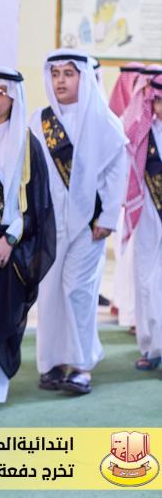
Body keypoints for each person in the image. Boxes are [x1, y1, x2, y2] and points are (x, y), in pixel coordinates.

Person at [30, 49, 127, 395]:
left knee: (78, 292)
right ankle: (53, 362)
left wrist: (108, 217)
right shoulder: (39, 121)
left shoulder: (104, 121)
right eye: (55, 73)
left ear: (83, 77)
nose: (61, 81)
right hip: (49, 225)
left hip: (90, 225)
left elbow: (117, 172)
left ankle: (82, 365)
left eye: (68, 74)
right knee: (50, 293)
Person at [0, 69, 56, 419]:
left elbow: (37, 203)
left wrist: (9, 239)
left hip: (10, 247)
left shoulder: (28, 144)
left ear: (13, 97)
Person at [120, 75, 162, 371]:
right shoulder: (141, 132)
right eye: (158, 100)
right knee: (147, 280)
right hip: (148, 212)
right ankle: (152, 347)